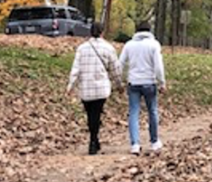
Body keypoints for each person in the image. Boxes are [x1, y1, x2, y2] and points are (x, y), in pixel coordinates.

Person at [66, 22, 121, 155]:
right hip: (101, 88)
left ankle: (93, 139)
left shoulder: (82, 48)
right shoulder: (108, 48)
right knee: (96, 113)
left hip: (85, 88)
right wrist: (119, 84)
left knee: (90, 114)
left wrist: (70, 86)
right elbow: (115, 69)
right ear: (102, 32)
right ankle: (94, 139)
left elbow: (76, 69)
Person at [118, 20, 167, 155]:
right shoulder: (154, 45)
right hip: (149, 82)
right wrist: (162, 82)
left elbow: (120, 63)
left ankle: (135, 143)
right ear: (149, 31)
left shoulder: (129, 45)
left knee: (134, 112)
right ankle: (154, 141)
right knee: (152, 111)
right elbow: (158, 66)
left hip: (133, 82)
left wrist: (119, 80)